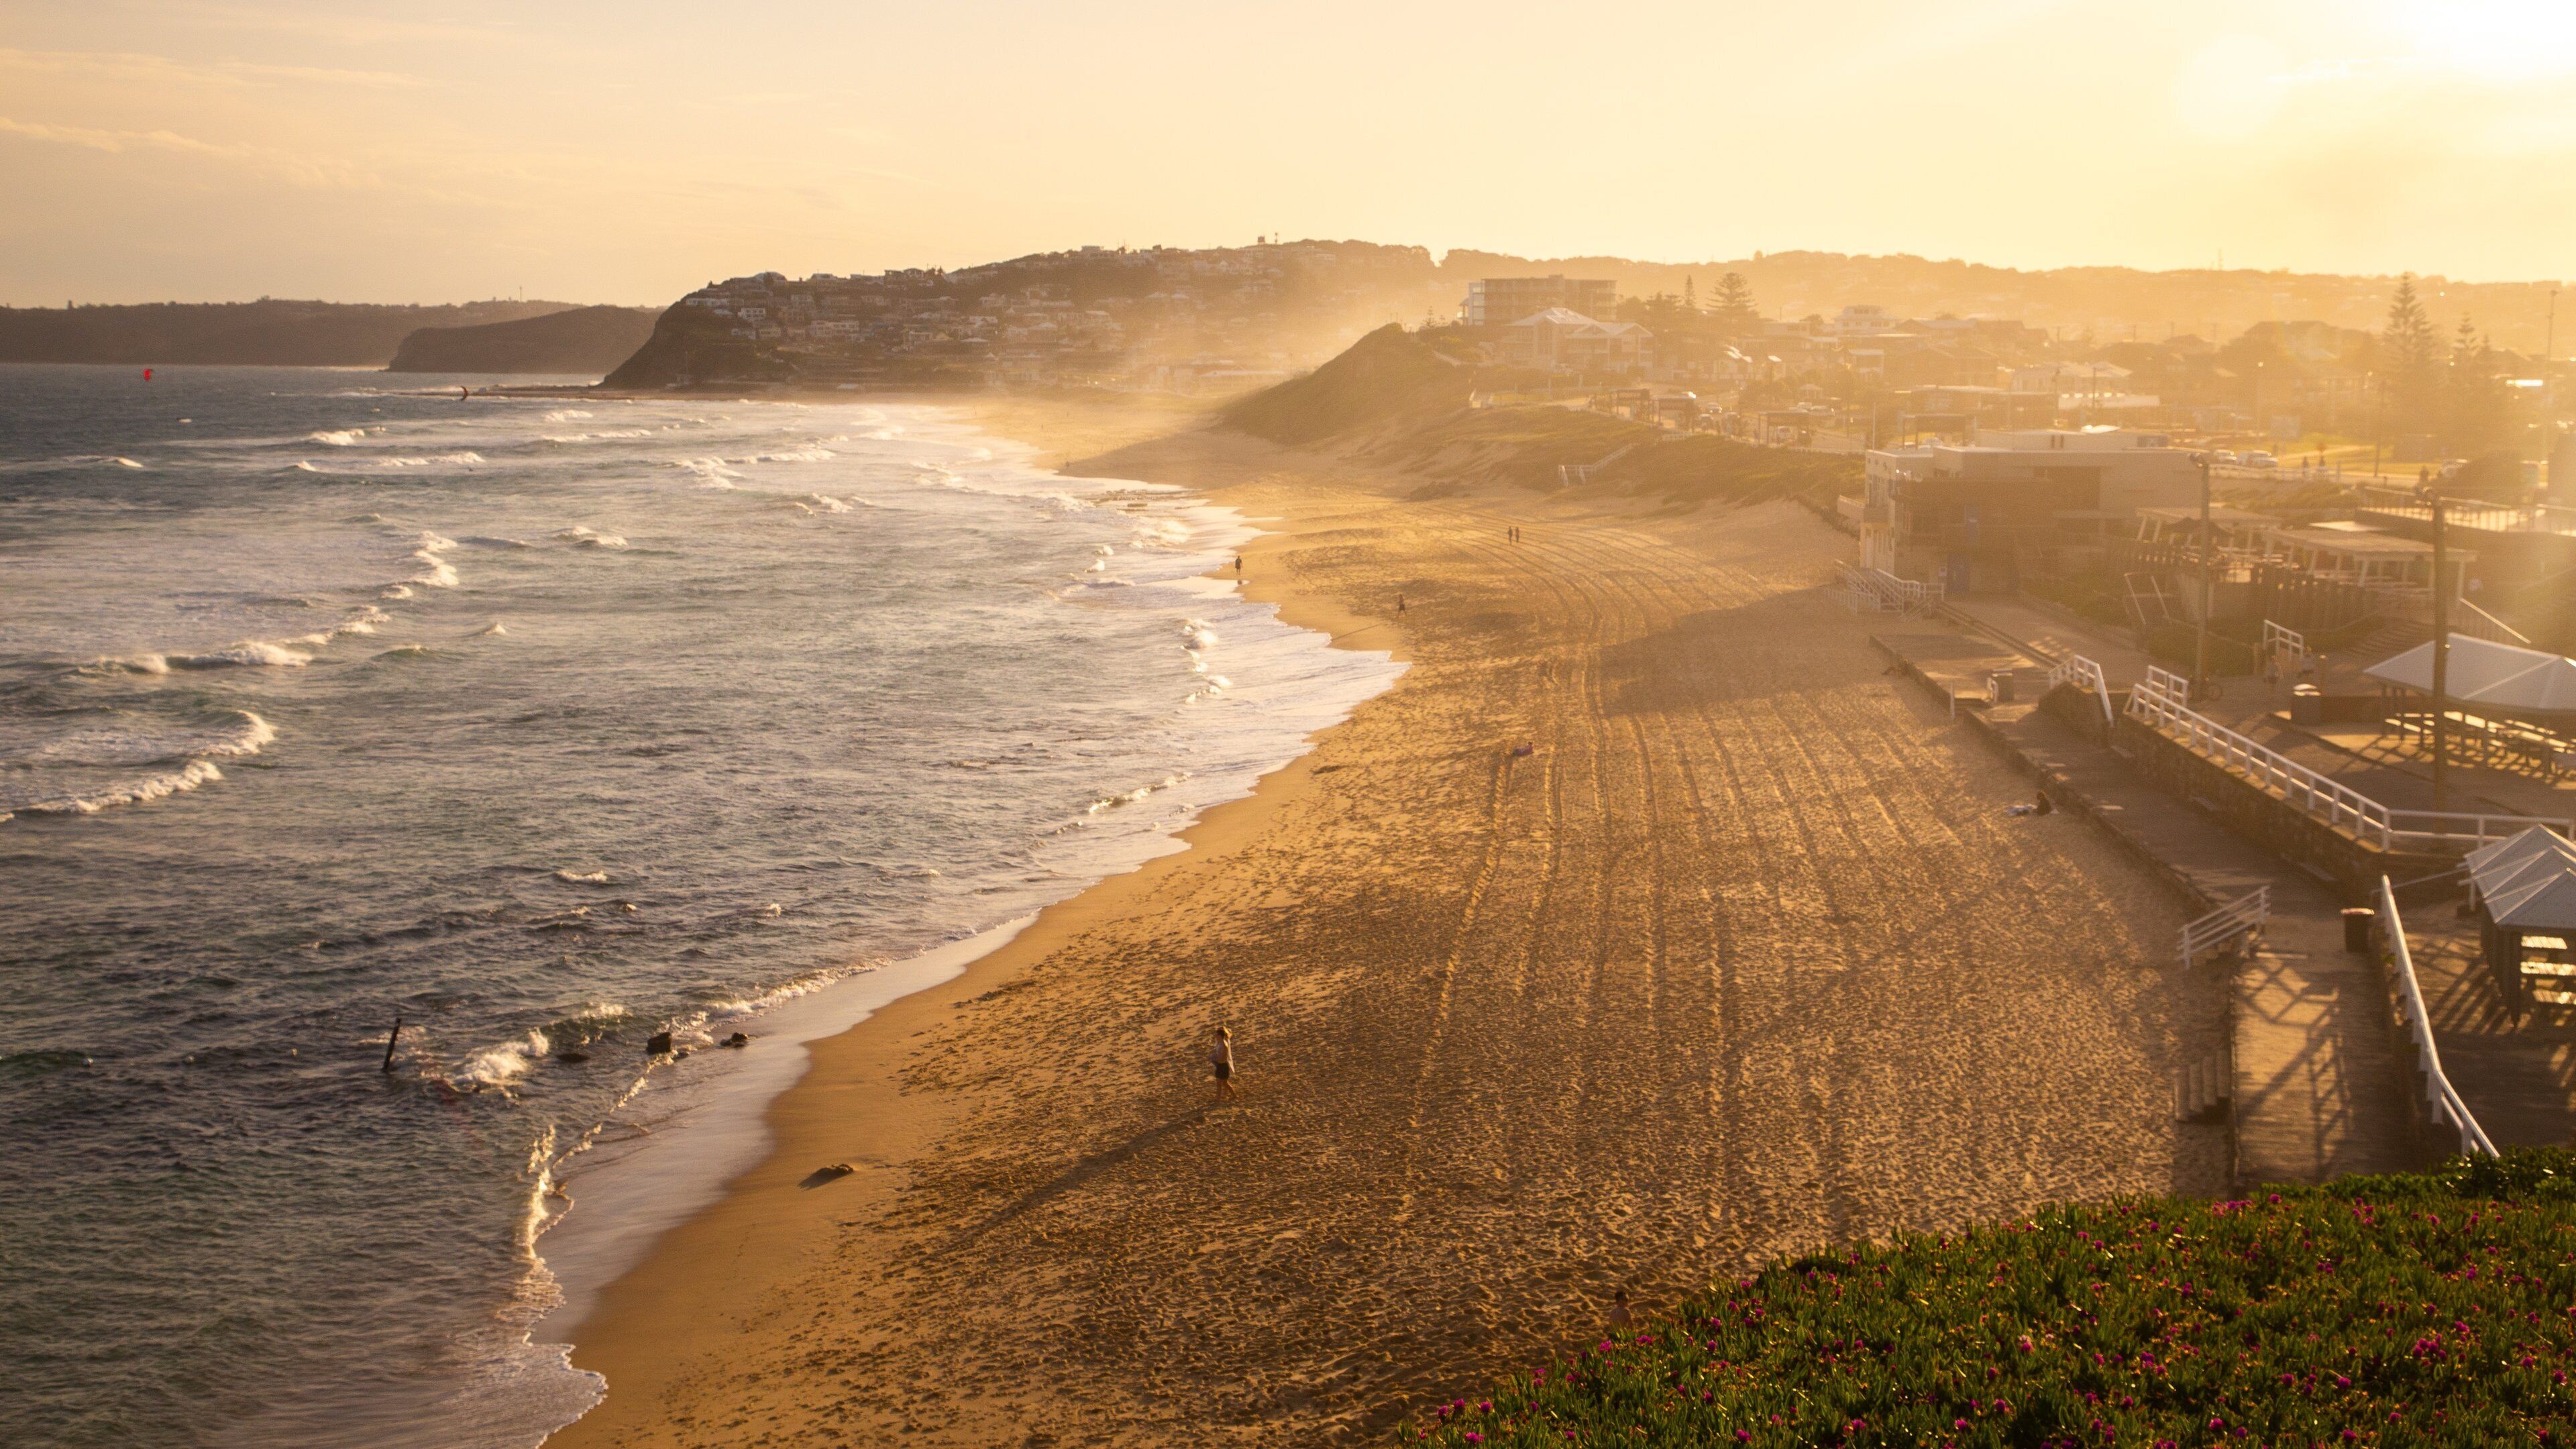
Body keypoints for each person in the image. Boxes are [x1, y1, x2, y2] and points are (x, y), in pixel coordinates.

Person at [1210, 1026, 1238, 1102]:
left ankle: (1234, 1095)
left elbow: (1224, 1058)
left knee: (1225, 1083)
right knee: (1218, 1083)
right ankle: (1218, 1100)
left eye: (1217, 1035)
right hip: (1219, 1066)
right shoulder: (1219, 1043)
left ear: (1220, 1036)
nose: (1216, 1036)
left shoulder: (1225, 1045)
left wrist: (1215, 1059)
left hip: (1224, 1067)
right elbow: (1218, 1054)